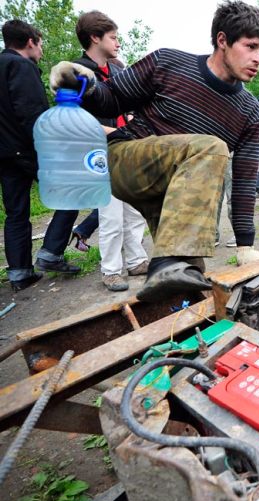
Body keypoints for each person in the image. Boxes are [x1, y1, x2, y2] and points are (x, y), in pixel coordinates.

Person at [49, 1, 259, 301]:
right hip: (126, 160)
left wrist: (245, 245)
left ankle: (171, 311)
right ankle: (165, 265)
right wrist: (83, 85)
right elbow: (112, 98)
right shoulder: (168, 63)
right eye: (251, 47)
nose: (258, 58)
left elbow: (244, 183)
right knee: (212, 148)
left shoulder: (250, 112)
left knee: (186, 281)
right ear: (222, 40)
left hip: (174, 195)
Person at [0, 19, 82, 292]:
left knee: (16, 213)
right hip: (28, 148)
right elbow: (32, 112)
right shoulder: (21, 66)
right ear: (31, 42)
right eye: (41, 43)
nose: (42, 50)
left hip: (4, 153)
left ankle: (20, 274)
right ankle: (51, 253)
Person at [73, 10, 149, 292]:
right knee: (110, 215)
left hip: (126, 150)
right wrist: (116, 132)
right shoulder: (76, 73)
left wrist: (132, 123)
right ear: (95, 38)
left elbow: (129, 108)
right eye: (113, 37)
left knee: (134, 211)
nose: (118, 43)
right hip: (99, 153)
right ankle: (112, 270)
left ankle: (137, 261)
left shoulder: (117, 71)